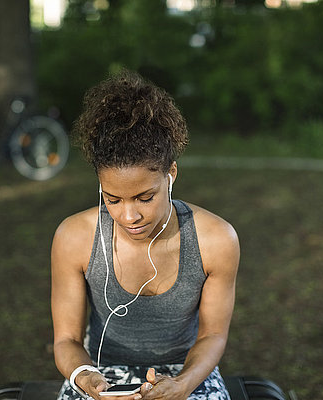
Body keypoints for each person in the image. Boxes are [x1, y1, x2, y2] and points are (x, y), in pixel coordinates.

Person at [51, 70, 240, 400]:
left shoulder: (217, 240)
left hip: (186, 373)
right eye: (112, 199)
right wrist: (87, 378)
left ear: (171, 175)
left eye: (144, 197)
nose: (129, 216)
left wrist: (182, 384)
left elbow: (212, 334)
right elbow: (67, 340)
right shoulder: (74, 237)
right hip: (99, 374)